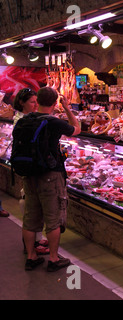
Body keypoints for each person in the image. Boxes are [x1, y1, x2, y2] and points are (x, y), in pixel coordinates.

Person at [18, 87, 81, 271]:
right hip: (50, 176)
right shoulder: (53, 122)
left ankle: (31, 257)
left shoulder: (26, 119)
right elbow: (76, 129)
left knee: (30, 218)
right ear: (55, 103)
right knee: (53, 218)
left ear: (36, 101)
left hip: (29, 174)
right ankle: (53, 259)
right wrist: (67, 108)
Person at [12, 88, 49, 254]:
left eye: (37, 102)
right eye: (33, 102)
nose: (36, 105)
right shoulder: (22, 120)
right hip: (29, 166)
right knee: (29, 205)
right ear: (22, 102)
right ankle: (32, 246)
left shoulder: (28, 118)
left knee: (31, 204)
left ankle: (36, 238)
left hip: (29, 165)